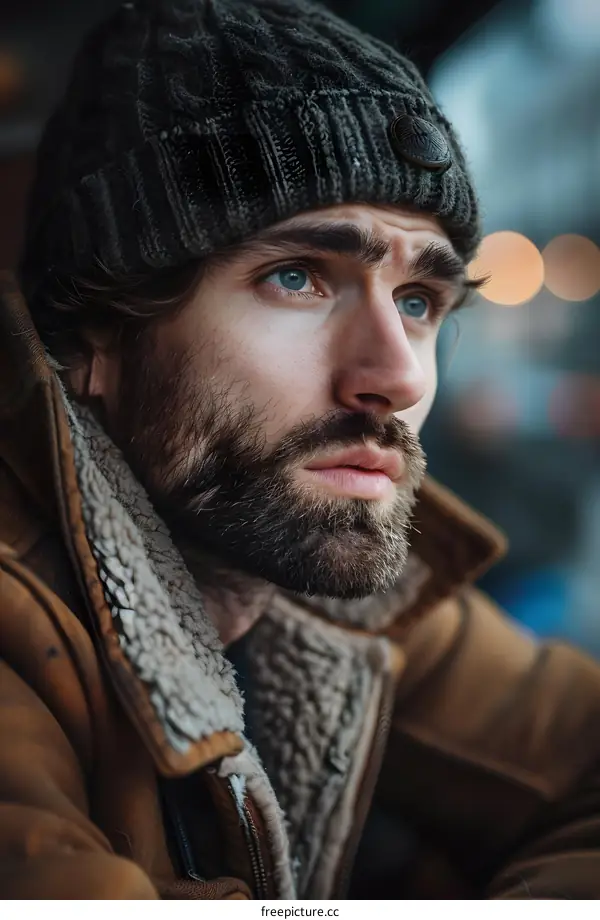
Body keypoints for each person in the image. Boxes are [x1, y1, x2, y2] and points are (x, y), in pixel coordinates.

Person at [1, 0, 600, 901]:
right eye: (297, 277)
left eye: (418, 302)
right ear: (100, 336)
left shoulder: (325, 586)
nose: (397, 376)